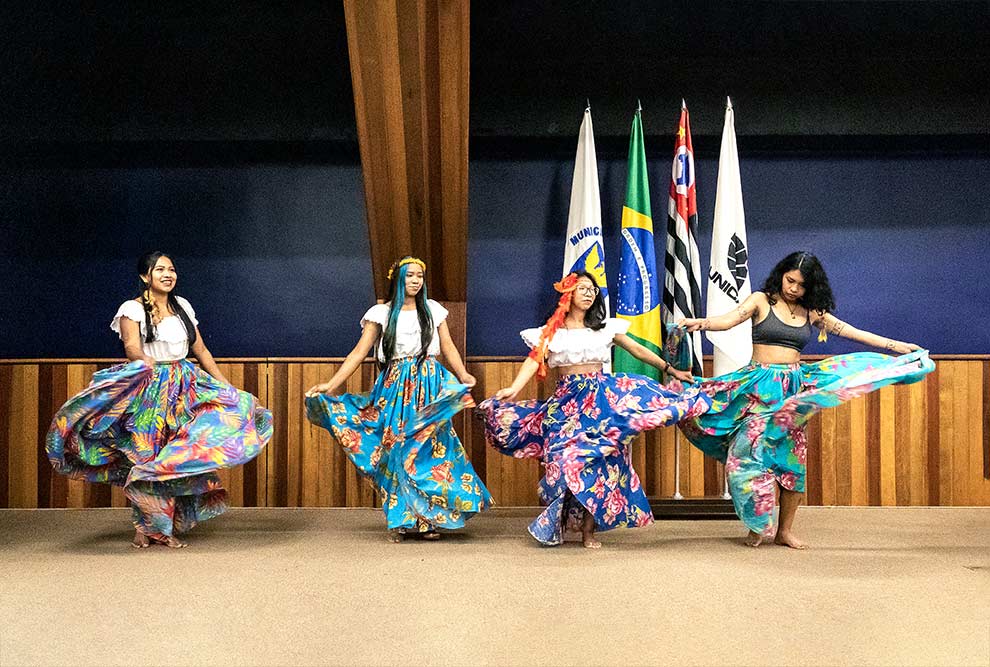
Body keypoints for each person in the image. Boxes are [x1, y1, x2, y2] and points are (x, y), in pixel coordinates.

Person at [678, 251, 933, 548]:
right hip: (759, 390)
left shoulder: (811, 311)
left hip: (794, 394)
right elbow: (731, 319)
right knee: (748, 456)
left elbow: (853, 332)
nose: (793, 289)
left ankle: (784, 531)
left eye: (801, 285)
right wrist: (702, 323)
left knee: (792, 461)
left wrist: (898, 347)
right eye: (790, 281)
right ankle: (757, 525)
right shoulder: (762, 300)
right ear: (781, 274)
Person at [46, 251, 273, 548]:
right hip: (149, 387)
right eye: (160, 269)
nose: (168, 274)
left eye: (172, 269)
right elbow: (131, 346)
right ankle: (146, 527)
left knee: (174, 454)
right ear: (145, 277)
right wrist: (145, 361)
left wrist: (227, 385)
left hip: (185, 385)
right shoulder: (132, 309)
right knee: (146, 455)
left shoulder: (183, 307)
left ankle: (170, 522)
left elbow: (201, 350)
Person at [478, 271, 711, 548]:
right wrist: (513, 389)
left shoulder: (604, 328)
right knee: (564, 463)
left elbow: (637, 350)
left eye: (593, 289)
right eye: (583, 289)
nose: (590, 293)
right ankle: (558, 521)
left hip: (602, 404)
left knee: (600, 467)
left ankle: (589, 531)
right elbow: (532, 362)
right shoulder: (550, 333)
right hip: (567, 406)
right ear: (568, 294)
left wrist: (670, 369)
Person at [305, 256, 491, 541]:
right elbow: (358, 352)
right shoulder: (381, 313)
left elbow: (449, 347)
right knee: (396, 448)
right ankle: (400, 520)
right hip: (394, 388)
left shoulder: (433, 310)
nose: (416, 280)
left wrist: (463, 374)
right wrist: (331, 385)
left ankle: (428, 521)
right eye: (410, 275)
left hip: (429, 384)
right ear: (398, 279)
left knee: (430, 450)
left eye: (420, 276)